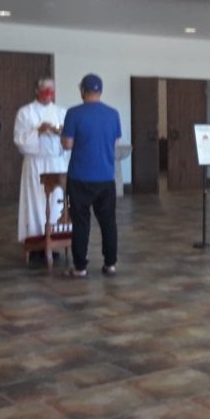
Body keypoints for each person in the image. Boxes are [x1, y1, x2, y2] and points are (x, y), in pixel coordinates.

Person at [61, 73, 122, 277]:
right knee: (108, 222)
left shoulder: (73, 113)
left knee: (80, 222)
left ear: (82, 91)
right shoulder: (113, 114)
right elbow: (115, 143)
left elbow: (68, 144)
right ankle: (110, 263)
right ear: (100, 91)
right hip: (105, 176)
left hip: (80, 177)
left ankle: (80, 267)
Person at [13, 77, 70, 248]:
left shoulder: (61, 112)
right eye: (45, 91)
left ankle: (58, 237)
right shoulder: (26, 112)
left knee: (56, 202)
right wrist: (38, 130)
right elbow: (19, 140)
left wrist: (59, 132)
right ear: (37, 91)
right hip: (36, 163)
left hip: (56, 162)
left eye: (51, 91)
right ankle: (36, 239)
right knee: (36, 202)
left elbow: (69, 138)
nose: (49, 95)